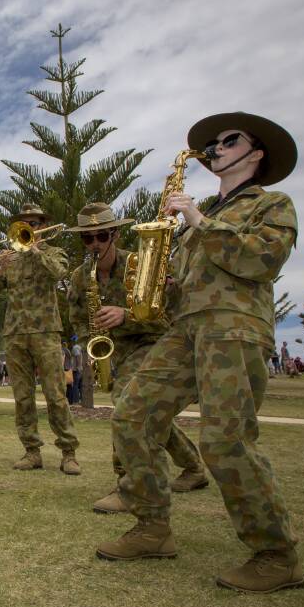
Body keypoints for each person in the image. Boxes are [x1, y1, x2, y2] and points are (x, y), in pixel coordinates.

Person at [96, 112, 304, 594]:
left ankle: (276, 555)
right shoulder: (205, 215)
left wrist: (197, 221)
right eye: (214, 142)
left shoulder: (271, 203)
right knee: (132, 415)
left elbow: (262, 260)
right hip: (185, 329)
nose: (216, 146)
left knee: (226, 440)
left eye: (230, 140)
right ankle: (153, 528)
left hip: (233, 328)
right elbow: (193, 278)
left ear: (256, 154)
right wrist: (160, 285)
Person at [65, 202, 208, 515]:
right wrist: (91, 346)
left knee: (126, 404)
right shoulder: (80, 278)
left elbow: (168, 315)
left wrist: (125, 315)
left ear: (115, 234)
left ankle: (127, 483)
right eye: (87, 238)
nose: (94, 244)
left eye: (101, 236)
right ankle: (193, 467)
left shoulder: (142, 265)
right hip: (113, 350)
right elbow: (77, 318)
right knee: (148, 414)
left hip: (150, 342)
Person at [0, 204, 80, 475]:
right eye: (24, 224)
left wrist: (36, 250)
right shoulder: (10, 258)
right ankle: (31, 451)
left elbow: (59, 273)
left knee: (55, 395)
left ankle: (68, 452)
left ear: (44, 227)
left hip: (45, 331)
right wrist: (0, 269)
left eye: (34, 223)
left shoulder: (53, 252)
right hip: (15, 333)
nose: (29, 228)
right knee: (22, 396)